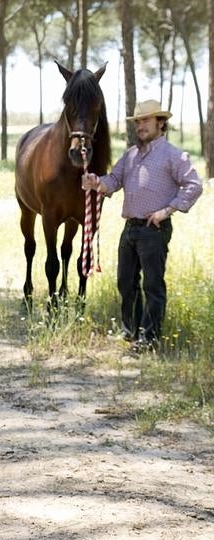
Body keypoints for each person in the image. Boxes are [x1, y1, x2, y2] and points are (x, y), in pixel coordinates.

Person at [81, 99, 202, 353]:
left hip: (154, 228)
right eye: (137, 121)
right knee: (126, 282)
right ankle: (130, 331)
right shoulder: (131, 155)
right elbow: (113, 181)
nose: (140, 125)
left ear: (160, 123)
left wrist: (167, 210)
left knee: (152, 285)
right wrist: (95, 182)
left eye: (145, 120)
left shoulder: (173, 155)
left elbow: (194, 185)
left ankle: (149, 339)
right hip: (130, 228)